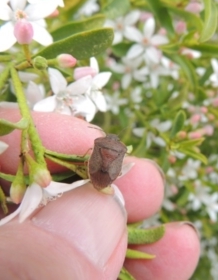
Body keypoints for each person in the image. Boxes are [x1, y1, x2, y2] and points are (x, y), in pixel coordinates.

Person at [0, 109, 200, 279]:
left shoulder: (98, 144)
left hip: (93, 172)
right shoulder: (120, 151)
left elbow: (89, 151)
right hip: (104, 178)